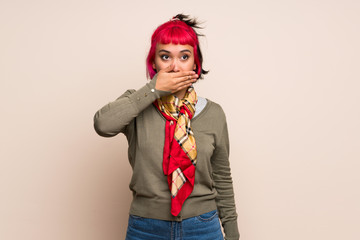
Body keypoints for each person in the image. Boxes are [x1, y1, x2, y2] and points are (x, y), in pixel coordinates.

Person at [93, 14, 240, 240]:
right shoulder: (136, 103)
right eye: (165, 56)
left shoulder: (214, 113)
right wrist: (153, 90)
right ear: (154, 63)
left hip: (203, 226)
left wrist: (231, 232)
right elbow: (103, 125)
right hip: (145, 227)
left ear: (195, 63)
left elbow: (221, 176)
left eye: (184, 56)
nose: (174, 66)